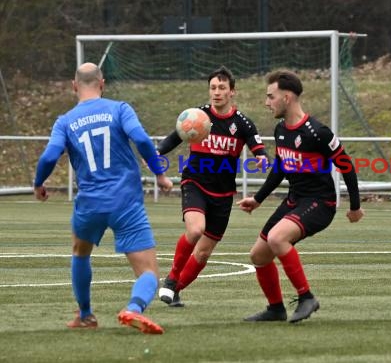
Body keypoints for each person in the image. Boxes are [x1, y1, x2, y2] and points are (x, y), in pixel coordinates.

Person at [33, 62, 172, 334]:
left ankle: (85, 315)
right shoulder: (120, 109)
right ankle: (133, 308)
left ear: (74, 86)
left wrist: (39, 183)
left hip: (90, 204)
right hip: (126, 202)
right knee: (149, 274)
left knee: (80, 253)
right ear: (103, 83)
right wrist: (159, 174)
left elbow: (50, 156)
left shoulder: (65, 121)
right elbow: (142, 139)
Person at [237, 70, 365, 323]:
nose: (267, 102)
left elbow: (346, 165)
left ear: (287, 97)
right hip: (295, 200)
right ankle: (275, 309)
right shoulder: (281, 129)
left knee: (277, 238)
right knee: (258, 256)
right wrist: (258, 199)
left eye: (270, 96)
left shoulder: (317, 132)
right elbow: (280, 168)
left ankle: (307, 297)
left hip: (321, 202)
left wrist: (355, 207)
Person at [156, 66, 267, 307]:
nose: (216, 92)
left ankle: (175, 289)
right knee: (196, 230)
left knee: (204, 252)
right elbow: (175, 136)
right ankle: (172, 279)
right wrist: (157, 152)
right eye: (213, 88)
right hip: (195, 182)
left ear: (232, 92)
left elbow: (256, 144)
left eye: (222, 88)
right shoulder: (197, 116)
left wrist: (261, 156)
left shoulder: (242, 122)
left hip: (223, 193)